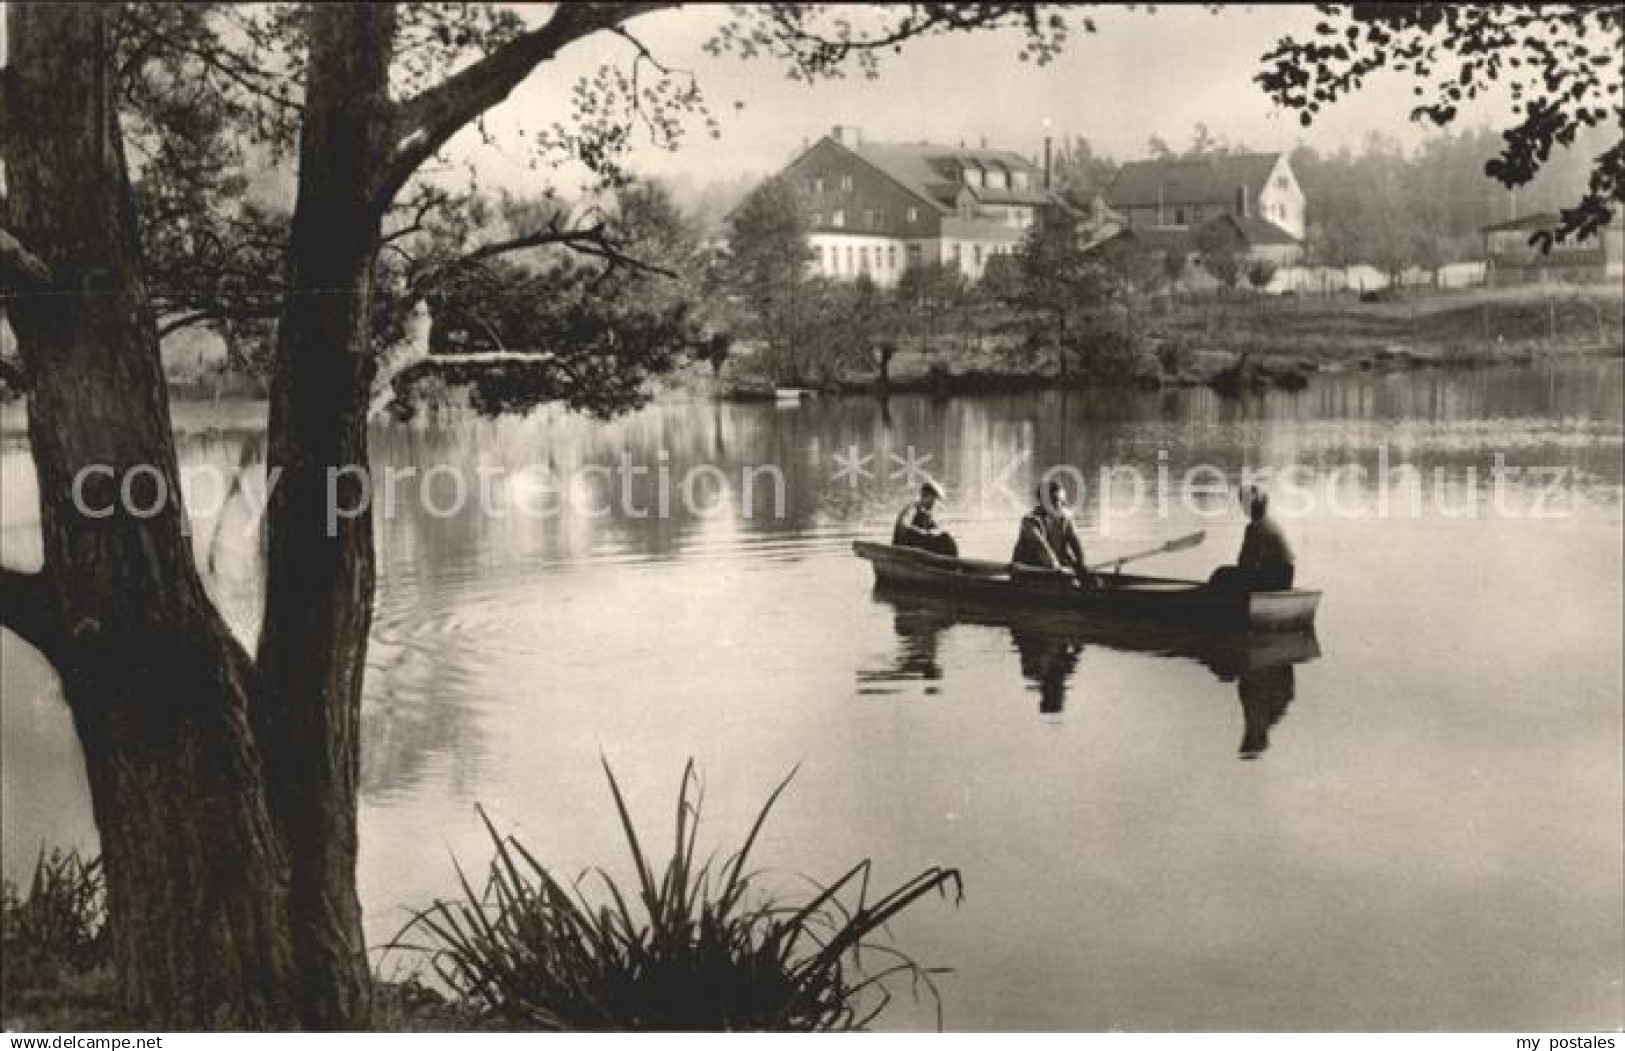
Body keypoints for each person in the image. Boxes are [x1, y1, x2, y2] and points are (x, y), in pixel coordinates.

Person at [1210, 486, 1296, 591]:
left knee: (1221, 573)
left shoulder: (1255, 527)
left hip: (1275, 579)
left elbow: (1246, 564)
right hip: (1285, 578)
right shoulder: (1271, 522)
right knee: (1226, 574)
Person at [1011, 481, 1090, 585]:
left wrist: (1082, 564)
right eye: (1057, 501)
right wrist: (1058, 569)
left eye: (1063, 501)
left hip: (1055, 569)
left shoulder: (1065, 517)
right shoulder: (1030, 521)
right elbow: (1042, 549)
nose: (1061, 505)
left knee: (1091, 581)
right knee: (1070, 583)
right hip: (1031, 571)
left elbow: (1075, 543)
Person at [892, 480, 958, 557]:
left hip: (916, 549)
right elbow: (903, 528)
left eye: (935, 500)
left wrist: (934, 534)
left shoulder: (925, 514)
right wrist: (925, 534)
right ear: (924, 496)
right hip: (904, 548)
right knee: (943, 539)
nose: (934, 503)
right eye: (932, 499)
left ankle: (951, 564)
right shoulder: (912, 509)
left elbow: (935, 530)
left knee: (946, 539)